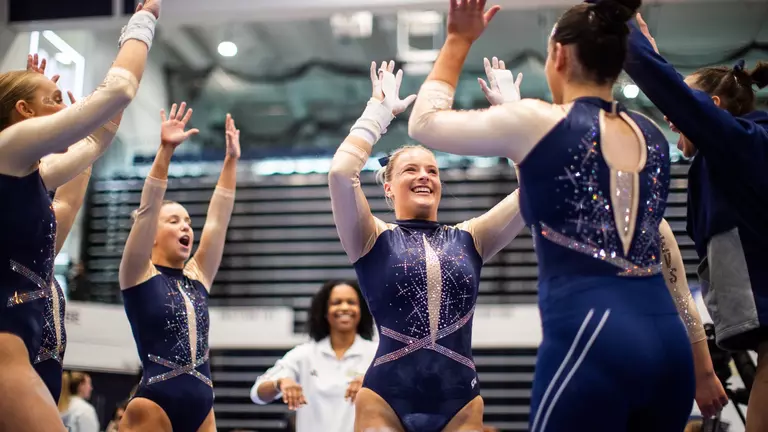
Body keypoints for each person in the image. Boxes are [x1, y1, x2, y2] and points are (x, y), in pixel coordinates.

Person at [407, 0, 724, 429]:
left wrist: (458, 40)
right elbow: (563, 185)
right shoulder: (651, 135)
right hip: (668, 343)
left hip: (594, 333)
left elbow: (424, 123)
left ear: (558, 54)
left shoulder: (539, 120)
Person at [328, 59, 526, 432]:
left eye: (432, 171)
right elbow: (341, 173)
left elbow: (533, 189)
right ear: (388, 187)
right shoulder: (370, 237)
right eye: (411, 170)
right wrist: (377, 113)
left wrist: (514, 118)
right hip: (385, 398)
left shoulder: (472, 237)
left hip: (461, 401)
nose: (424, 176)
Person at [0, 1, 160, 429]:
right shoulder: (10, 147)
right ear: (23, 114)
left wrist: (107, 121)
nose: (64, 109)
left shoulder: (32, 171)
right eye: (54, 100)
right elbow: (119, 89)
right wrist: (144, 20)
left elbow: (91, 147)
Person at [623, 11, 768, 432]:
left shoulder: (742, 145)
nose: (670, 120)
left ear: (713, 109)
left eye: (683, 110)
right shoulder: (734, 155)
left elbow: (670, 90)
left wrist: (629, 33)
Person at [118, 105, 240, 432]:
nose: (186, 227)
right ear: (151, 234)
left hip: (203, 405)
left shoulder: (198, 276)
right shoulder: (137, 274)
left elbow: (218, 219)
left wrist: (230, 161)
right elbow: (147, 210)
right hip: (155, 402)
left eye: (188, 221)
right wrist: (165, 151)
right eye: (173, 221)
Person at [24, 53, 126, 404]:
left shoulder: (41, 250)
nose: (61, 112)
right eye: (49, 102)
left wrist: (90, 138)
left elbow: (67, 203)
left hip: (44, 378)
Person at [251, 280, 377, 432]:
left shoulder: (376, 353)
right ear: (325, 311)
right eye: (336, 302)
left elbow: (405, 392)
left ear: (361, 310)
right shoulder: (304, 355)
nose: (344, 307)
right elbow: (257, 394)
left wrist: (373, 382)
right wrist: (280, 383)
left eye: (351, 302)